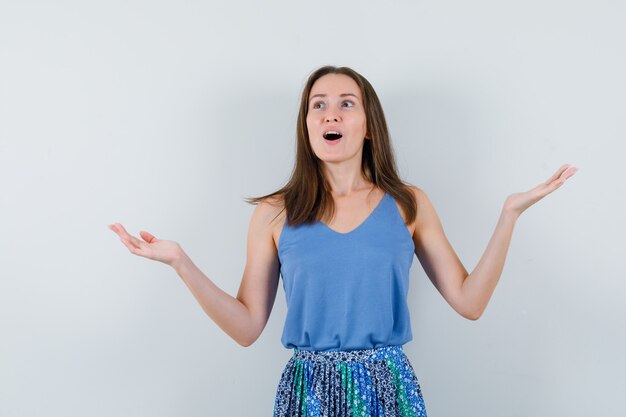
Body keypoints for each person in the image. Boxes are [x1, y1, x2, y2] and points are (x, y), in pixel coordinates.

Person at [108, 65, 577, 417]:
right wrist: (179, 261)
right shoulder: (274, 212)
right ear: (308, 124)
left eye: (346, 103)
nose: (331, 113)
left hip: (389, 388)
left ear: (368, 124)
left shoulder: (408, 204)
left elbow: (470, 301)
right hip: (306, 391)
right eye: (319, 104)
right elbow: (248, 326)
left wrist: (509, 215)